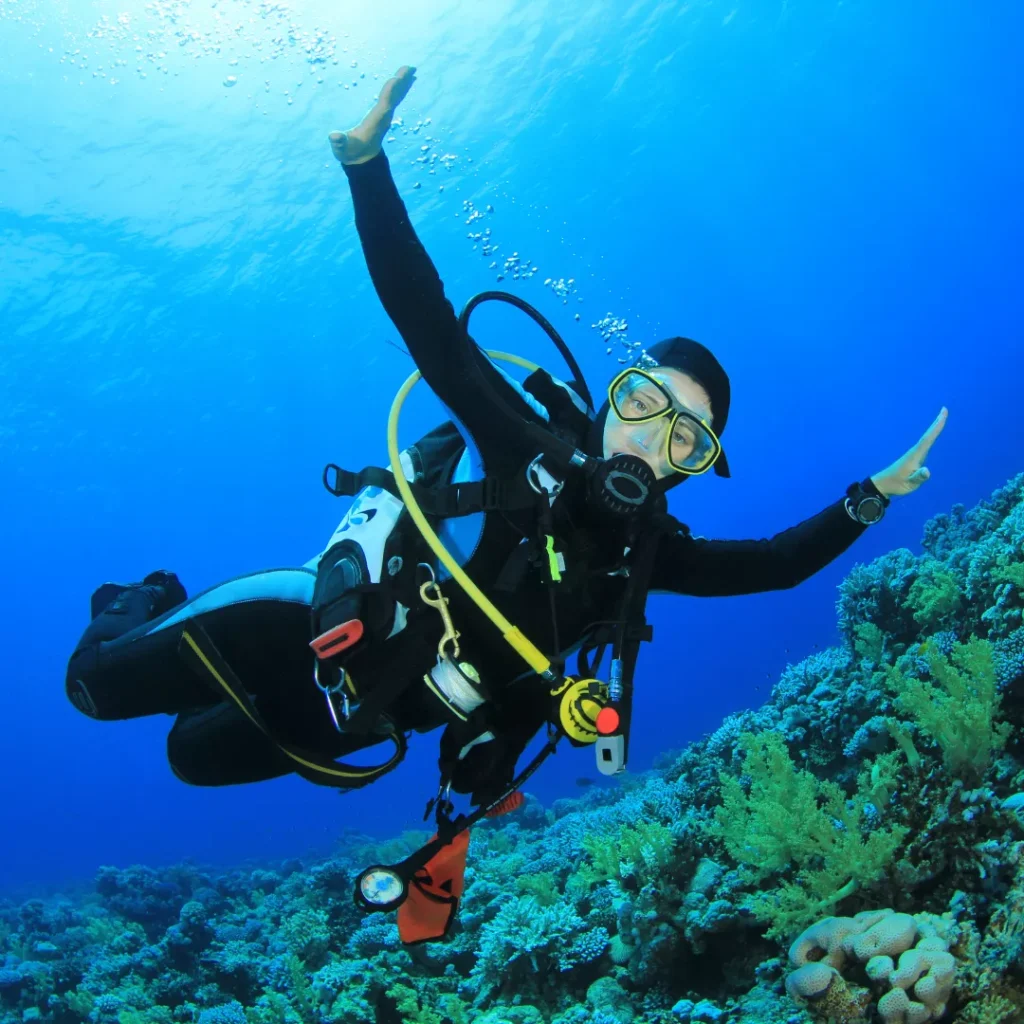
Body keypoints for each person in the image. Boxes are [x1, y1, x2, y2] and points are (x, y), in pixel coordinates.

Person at [65, 65, 946, 932]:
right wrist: (368, 172)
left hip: (350, 719)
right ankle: (140, 603)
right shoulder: (525, 443)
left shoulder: (648, 556)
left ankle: (174, 643)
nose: (649, 438)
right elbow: (430, 325)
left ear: (693, 465)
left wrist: (872, 496)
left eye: (685, 436)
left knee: (190, 757)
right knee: (92, 689)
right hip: (297, 624)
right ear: (613, 394)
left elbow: (775, 568)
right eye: (645, 402)